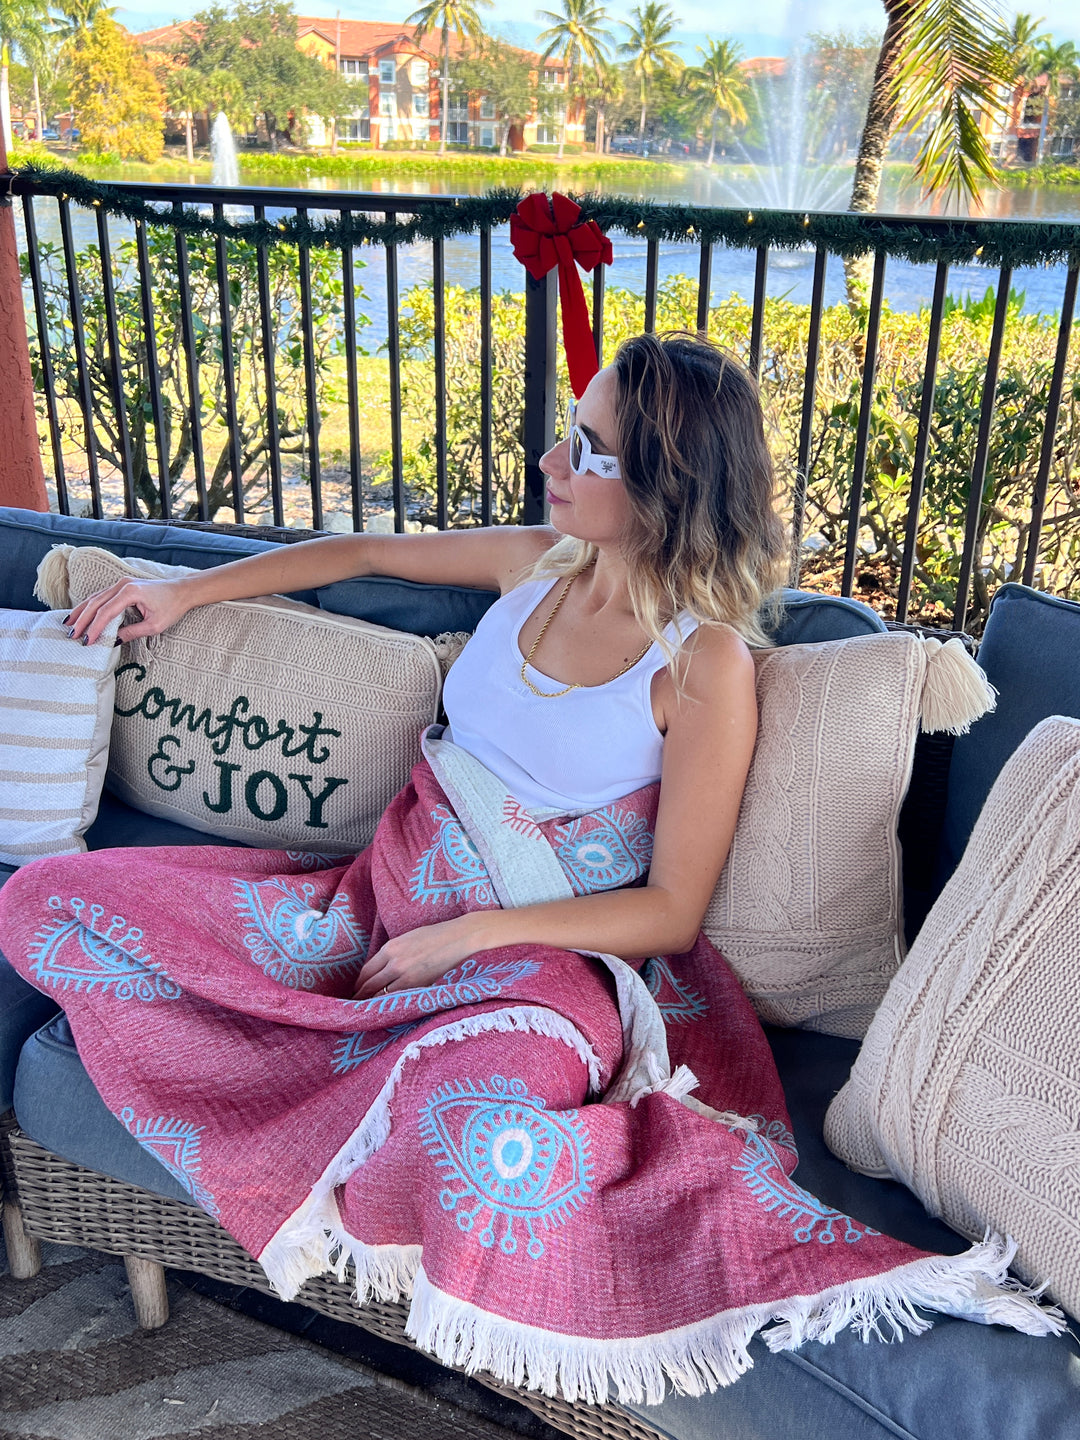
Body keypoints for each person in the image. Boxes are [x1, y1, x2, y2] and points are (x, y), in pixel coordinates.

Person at [64, 331, 788, 998]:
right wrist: (183, 591)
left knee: (483, 1131)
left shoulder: (703, 661)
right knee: (55, 901)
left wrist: (470, 937)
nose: (549, 462)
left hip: (529, 959)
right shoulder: (535, 564)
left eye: (586, 449)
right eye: (568, 430)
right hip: (379, 897)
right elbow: (363, 552)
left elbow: (671, 913)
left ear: (668, 487)